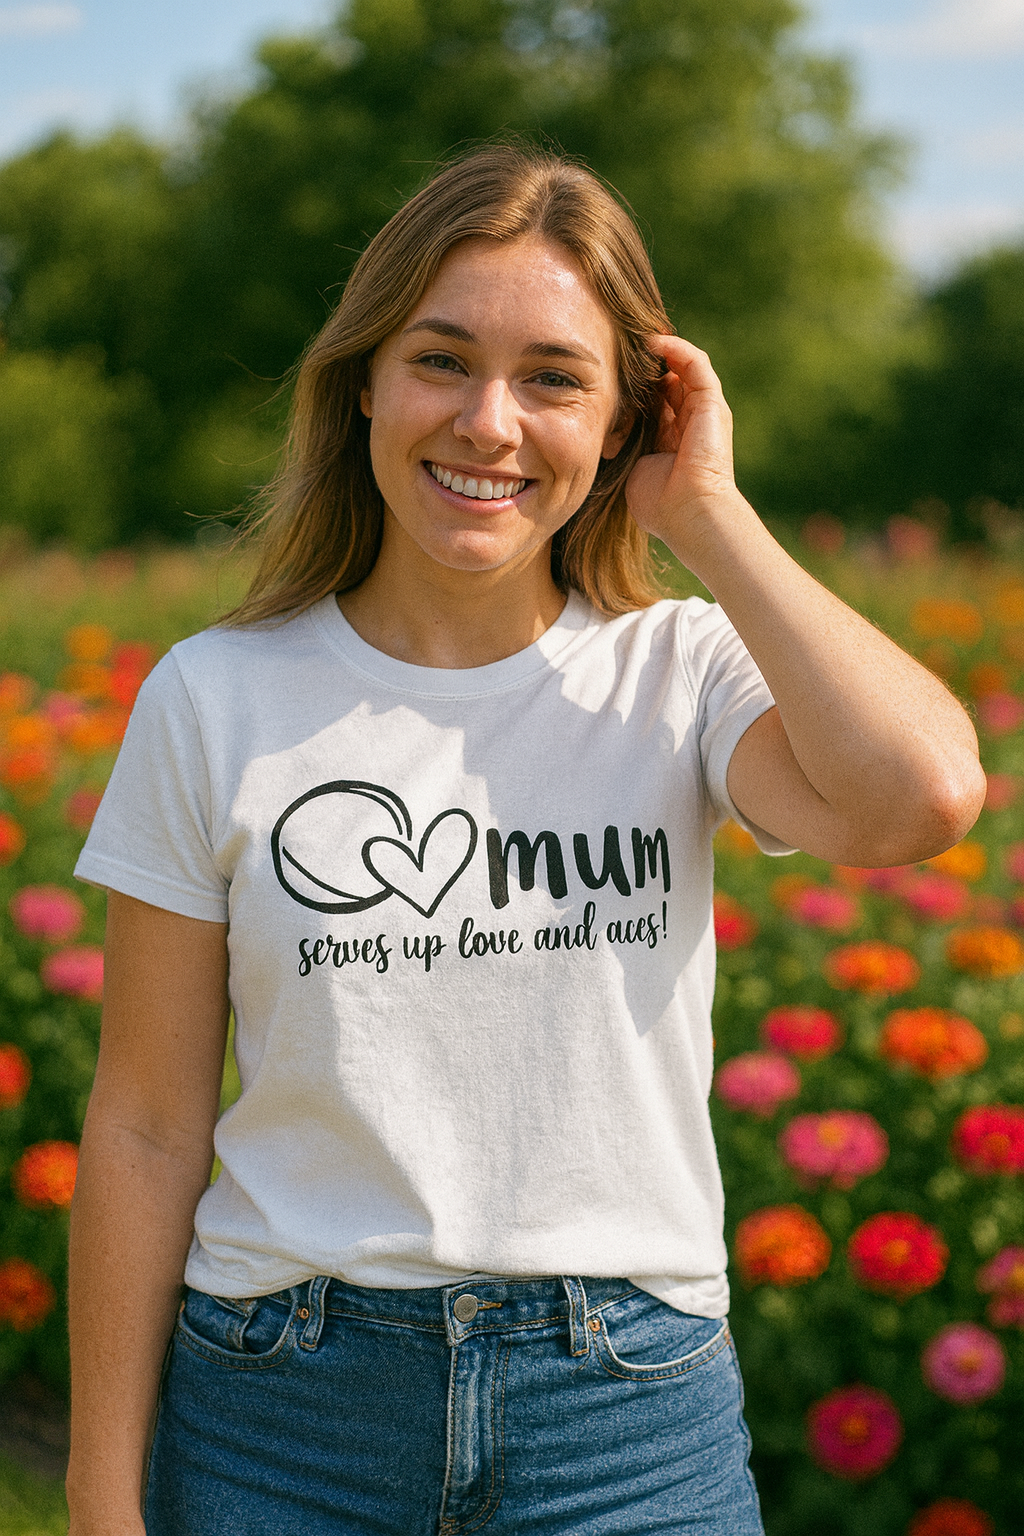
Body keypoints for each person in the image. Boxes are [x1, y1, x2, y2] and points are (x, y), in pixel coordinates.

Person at [66, 144, 985, 1536]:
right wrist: (98, 1496)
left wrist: (711, 517)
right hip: (282, 1414)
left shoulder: (679, 674)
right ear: (363, 381)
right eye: (441, 359)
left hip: (626, 1418)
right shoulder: (216, 695)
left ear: (626, 424)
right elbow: (142, 1126)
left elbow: (920, 795)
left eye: (555, 377)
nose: (490, 422)